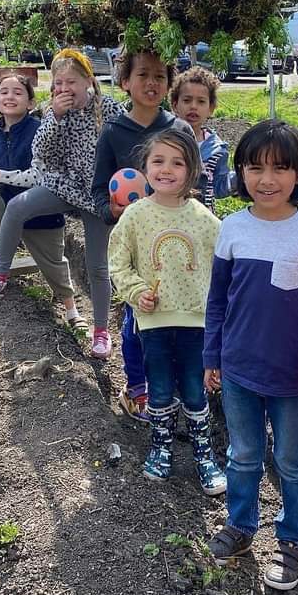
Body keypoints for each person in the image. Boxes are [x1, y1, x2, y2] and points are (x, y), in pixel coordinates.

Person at [203, 119, 298, 591]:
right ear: (240, 173)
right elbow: (217, 299)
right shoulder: (233, 229)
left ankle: (293, 539)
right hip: (239, 367)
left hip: (294, 375)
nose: (267, 179)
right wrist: (211, 354)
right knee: (243, 455)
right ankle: (241, 526)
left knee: (293, 461)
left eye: (280, 168)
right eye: (254, 167)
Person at [0, 49, 124, 361]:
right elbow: (41, 154)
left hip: (97, 195)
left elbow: (125, 146)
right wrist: (56, 116)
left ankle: (102, 332)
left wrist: (119, 188)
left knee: (96, 265)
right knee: (17, 208)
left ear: (88, 82)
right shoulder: (52, 113)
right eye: (59, 83)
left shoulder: (108, 108)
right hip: (63, 185)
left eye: (72, 82)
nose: (64, 89)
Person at [108, 129, 225, 495]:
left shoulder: (205, 220)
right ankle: (161, 449)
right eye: (158, 161)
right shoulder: (136, 216)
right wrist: (138, 291)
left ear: (191, 171)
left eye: (178, 162)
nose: (166, 170)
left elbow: (225, 268)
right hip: (153, 324)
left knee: (194, 388)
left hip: (196, 323)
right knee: (158, 388)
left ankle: (204, 455)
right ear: (144, 167)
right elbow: (118, 263)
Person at [91, 49, 187, 421]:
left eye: (160, 76)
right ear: (125, 82)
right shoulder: (114, 132)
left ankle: (172, 385)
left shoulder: (177, 130)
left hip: (175, 241)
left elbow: (191, 181)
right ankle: (138, 391)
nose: (152, 83)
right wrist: (110, 211)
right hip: (133, 245)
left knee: (173, 317)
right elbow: (99, 189)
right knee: (135, 320)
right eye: (143, 75)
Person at [0, 73, 84, 330]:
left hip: (39, 212)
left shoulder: (39, 130)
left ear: (31, 103)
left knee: (54, 266)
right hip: (5, 206)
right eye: (3, 92)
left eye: (17, 92)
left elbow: (39, 177)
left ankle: (72, 312)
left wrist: (0, 175)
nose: (9, 96)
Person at [169, 66, 234, 211]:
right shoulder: (165, 141)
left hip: (202, 219)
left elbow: (218, 187)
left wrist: (239, 179)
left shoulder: (217, 148)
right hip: (168, 215)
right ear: (175, 105)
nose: (193, 106)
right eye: (186, 100)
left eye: (201, 101)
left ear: (210, 108)